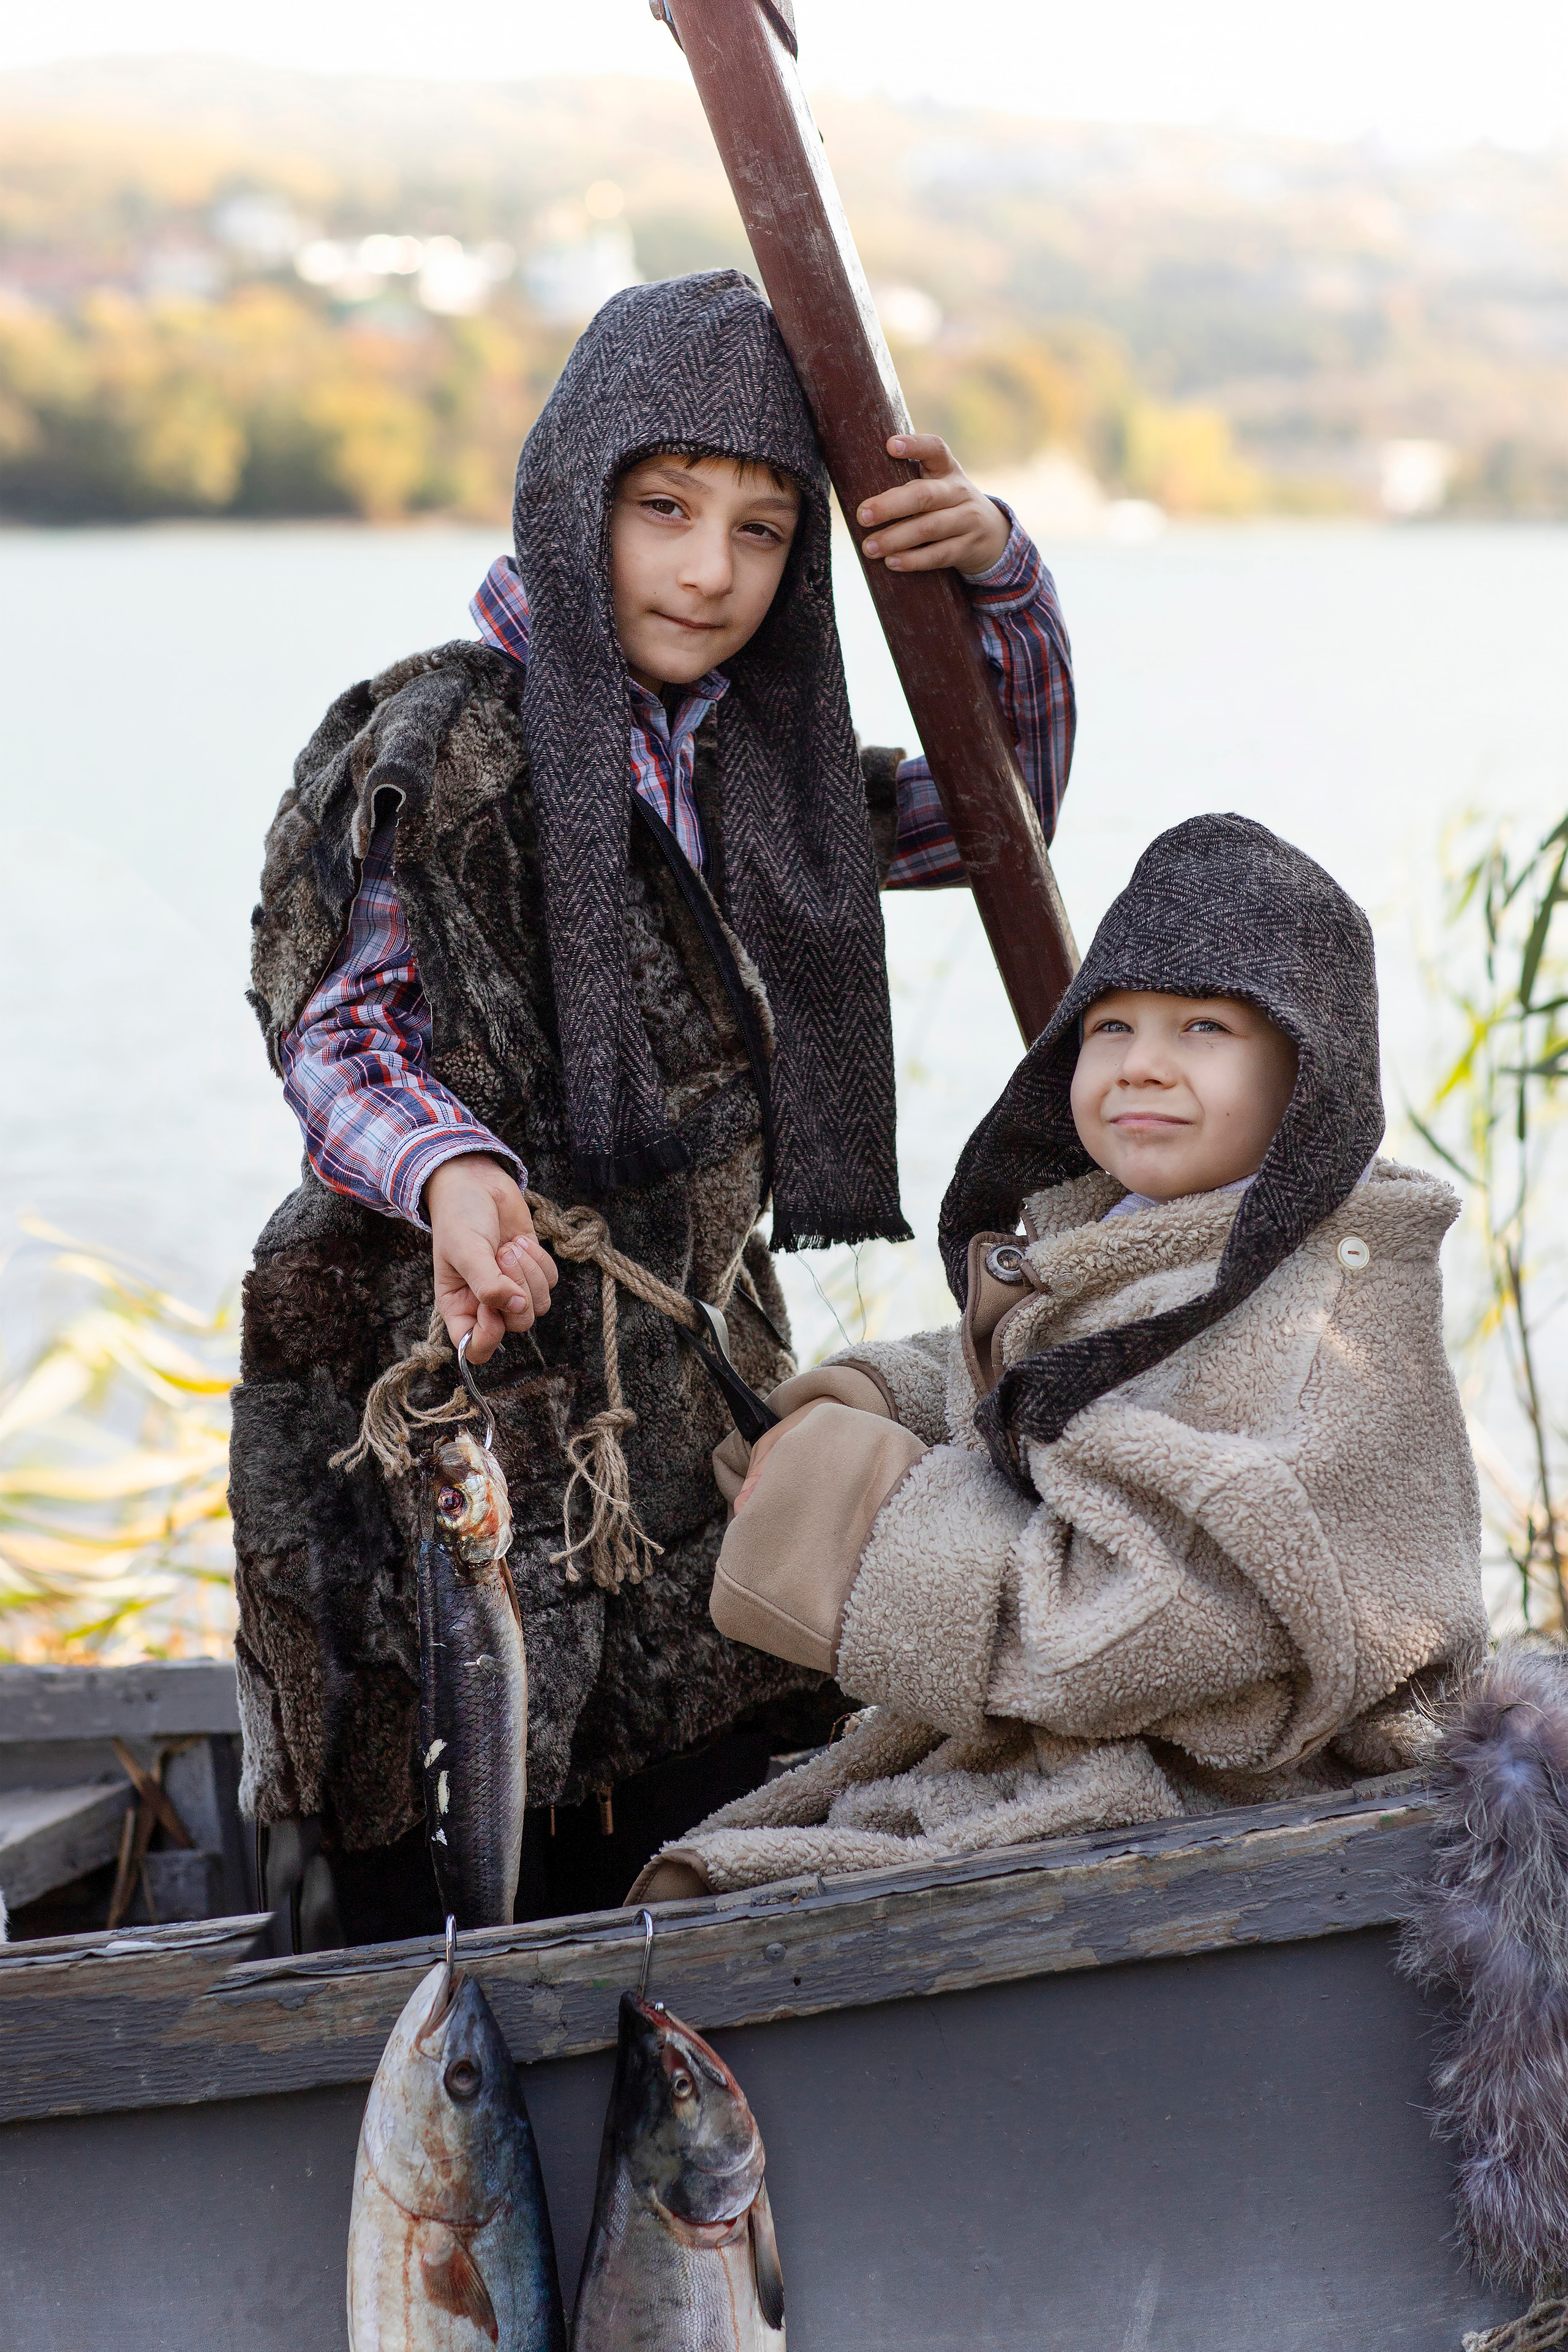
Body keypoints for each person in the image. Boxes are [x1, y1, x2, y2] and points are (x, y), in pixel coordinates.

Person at [232, 269, 1075, 1939]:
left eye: (764, 531)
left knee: (714, 1793)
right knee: (423, 1836)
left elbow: (1000, 814)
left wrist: (1001, 582)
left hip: (674, 1364)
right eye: (666, 508)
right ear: (574, 501)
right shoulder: (434, 732)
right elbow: (341, 1022)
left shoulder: (759, 772)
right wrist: (455, 1173)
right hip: (429, 1353)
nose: (710, 568)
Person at [630, 814, 1488, 1902]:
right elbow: (1053, 1376)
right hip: (1099, 1757)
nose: (1144, 1066)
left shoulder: (1328, 1326)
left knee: (726, 1909)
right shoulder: (1144, 1239)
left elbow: (1167, 1623)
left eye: (1205, 1029)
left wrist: (861, 1524)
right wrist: (881, 1397)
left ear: (1307, 1078)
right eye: (1111, 1026)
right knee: (698, 1890)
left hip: (1245, 1798)